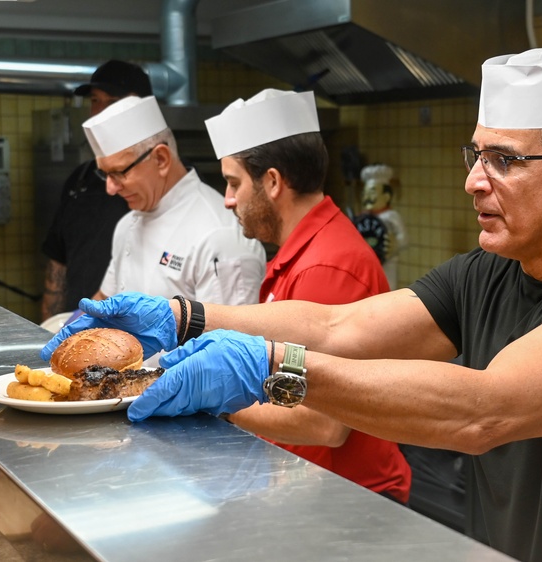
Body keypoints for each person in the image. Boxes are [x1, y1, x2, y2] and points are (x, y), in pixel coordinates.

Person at [43, 45, 542, 561]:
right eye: (475, 154)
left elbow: (484, 410)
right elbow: (342, 325)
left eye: (503, 161)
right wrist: (184, 317)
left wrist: (269, 368)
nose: (472, 181)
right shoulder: (489, 271)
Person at [201, 88, 411, 503]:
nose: (227, 200)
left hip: (351, 500)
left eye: (233, 183)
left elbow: (321, 422)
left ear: (273, 182)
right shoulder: (302, 254)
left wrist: (213, 397)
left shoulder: (326, 268)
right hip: (312, 488)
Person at [81, 95, 266, 306]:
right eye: (105, 174)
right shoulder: (126, 226)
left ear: (161, 159)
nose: (110, 188)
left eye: (119, 172)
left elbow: (229, 327)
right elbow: (105, 300)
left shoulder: (219, 236)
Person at [40, 60, 150, 321]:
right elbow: (57, 263)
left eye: (111, 102)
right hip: (79, 323)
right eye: (94, 101)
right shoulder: (80, 179)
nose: (99, 112)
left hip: (136, 331)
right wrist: (47, 327)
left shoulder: (162, 185)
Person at [354, 164, 407, 290]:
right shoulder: (362, 219)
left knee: (386, 289)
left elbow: (404, 238)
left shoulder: (391, 216)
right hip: (366, 265)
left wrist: (396, 244)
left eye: (372, 192)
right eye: (365, 193)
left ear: (386, 196)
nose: (367, 197)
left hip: (387, 264)